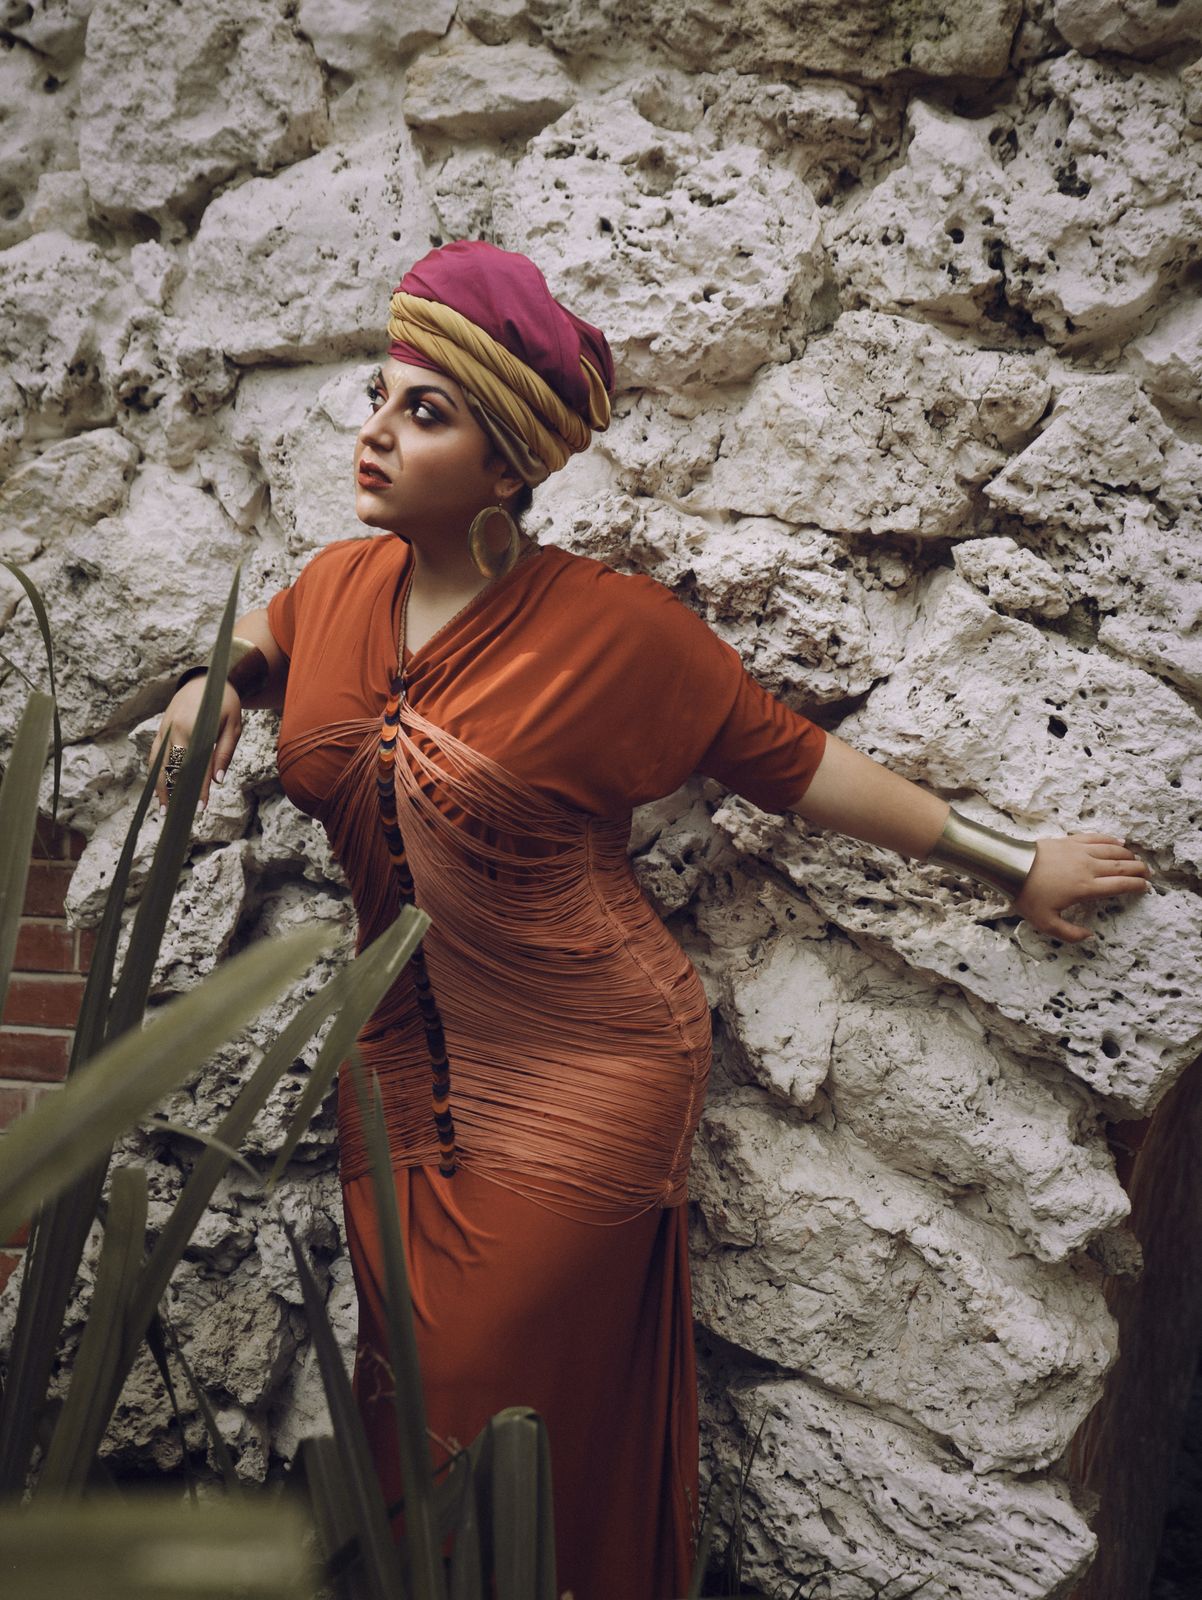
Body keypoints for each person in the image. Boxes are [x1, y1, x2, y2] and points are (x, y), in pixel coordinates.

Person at [151, 241, 1150, 1600]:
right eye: (380, 398)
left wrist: (1013, 860)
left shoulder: (612, 634)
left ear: (506, 466)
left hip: (588, 1061)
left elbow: (792, 761)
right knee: (405, 1399)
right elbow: (270, 635)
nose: (376, 433)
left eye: (424, 413)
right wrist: (213, 681)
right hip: (396, 1067)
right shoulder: (335, 586)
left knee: (477, 1399)